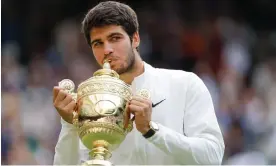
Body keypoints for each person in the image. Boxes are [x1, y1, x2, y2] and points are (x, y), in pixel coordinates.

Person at [53, 1, 225, 165]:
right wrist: (69, 124)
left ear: (135, 39)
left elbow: (212, 157)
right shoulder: (88, 101)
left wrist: (152, 131)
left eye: (115, 38)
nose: (107, 50)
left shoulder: (184, 84)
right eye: (98, 43)